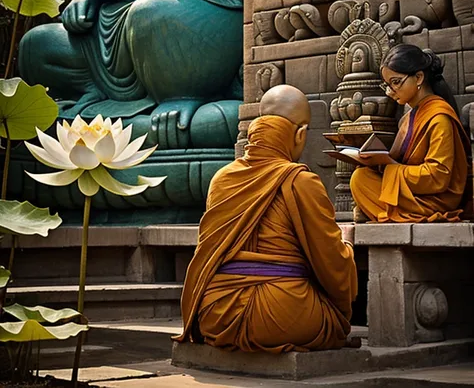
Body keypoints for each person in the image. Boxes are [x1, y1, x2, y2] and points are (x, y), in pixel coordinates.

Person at [175, 84, 358, 353]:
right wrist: (348, 247)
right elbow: (332, 266)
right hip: (282, 315)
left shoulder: (221, 179)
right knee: (333, 323)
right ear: (300, 134)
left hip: (216, 313)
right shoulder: (301, 182)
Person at [350, 45, 470, 223]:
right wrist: (377, 162)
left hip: (436, 199)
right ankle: (386, 210)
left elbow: (438, 176)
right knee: (361, 177)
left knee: (361, 181)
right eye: (387, 85)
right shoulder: (408, 118)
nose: (390, 91)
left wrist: (391, 169)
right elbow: (399, 163)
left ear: (419, 77)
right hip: (413, 193)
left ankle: (388, 212)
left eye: (396, 82)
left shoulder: (439, 117)